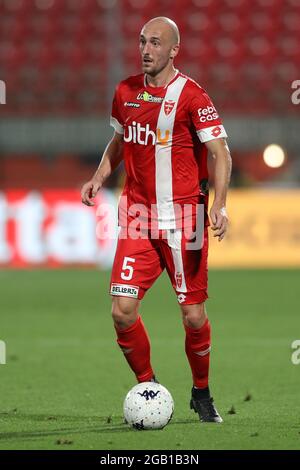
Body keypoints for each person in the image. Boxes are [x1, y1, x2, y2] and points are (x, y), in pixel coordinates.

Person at [81, 17, 232, 423]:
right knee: (121, 310)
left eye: (155, 43)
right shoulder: (125, 91)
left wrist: (219, 204)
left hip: (185, 218)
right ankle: (148, 385)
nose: (146, 49)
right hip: (136, 217)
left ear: (173, 50)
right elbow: (119, 140)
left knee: (193, 316)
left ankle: (201, 392)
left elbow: (220, 152)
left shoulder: (193, 96)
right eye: (142, 41)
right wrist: (99, 177)